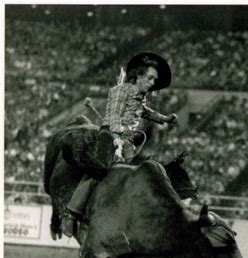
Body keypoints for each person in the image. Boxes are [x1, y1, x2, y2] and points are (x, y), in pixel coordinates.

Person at [61, 52, 178, 237]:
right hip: (110, 135)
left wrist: (164, 119)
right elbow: (115, 116)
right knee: (98, 171)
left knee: (133, 176)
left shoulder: (141, 96)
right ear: (138, 76)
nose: (152, 83)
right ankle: (71, 214)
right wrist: (117, 138)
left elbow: (144, 111)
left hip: (128, 140)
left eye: (154, 79)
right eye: (149, 78)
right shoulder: (120, 91)